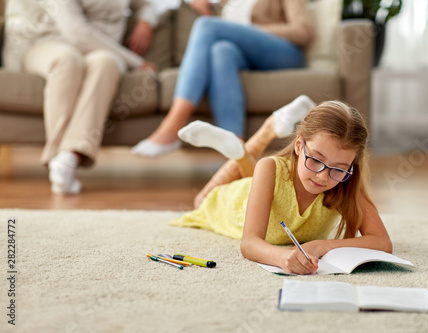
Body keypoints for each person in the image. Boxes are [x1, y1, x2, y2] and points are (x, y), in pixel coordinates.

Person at [170, 96, 393, 275]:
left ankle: (241, 151)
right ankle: (251, 143)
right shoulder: (270, 168)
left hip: (266, 186)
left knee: (258, 174)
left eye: (338, 168)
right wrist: (282, 258)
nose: (324, 176)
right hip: (235, 202)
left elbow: (382, 241)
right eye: (315, 159)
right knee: (201, 201)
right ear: (298, 145)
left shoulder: (347, 180)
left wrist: (319, 246)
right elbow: (249, 243)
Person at [3, 0, 158, 195]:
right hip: (49, 44)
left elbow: (145, 4)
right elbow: (75, 31)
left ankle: (70, 157)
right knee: (68, 61)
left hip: (101, 51)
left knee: (106, 63)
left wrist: (146, 22)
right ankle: (56, 155)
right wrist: (136, 62)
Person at [131, 0, 314, 157]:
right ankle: (236, 154)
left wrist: (249, 30)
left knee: (206, 25)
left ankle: (172, 127)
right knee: (221, 52)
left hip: (284, 53)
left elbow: (304, 30)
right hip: (244, 55)